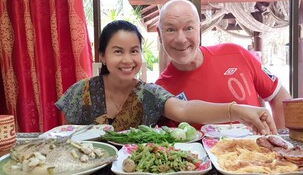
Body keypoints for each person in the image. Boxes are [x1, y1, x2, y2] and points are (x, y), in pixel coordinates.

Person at [55, 20, 277, 135]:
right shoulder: (81, 92)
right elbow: (64, 137)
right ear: (102, 55)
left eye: (134, 51)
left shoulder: (149, 93)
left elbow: (185, 109)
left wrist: (236, 110)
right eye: (117, 51)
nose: (127, 60)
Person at [155, 0, 291, 130]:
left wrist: (280, 140)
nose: (181, 39)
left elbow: (279, 95)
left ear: (199, 29)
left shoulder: (235, 54)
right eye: (170, 30)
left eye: (189, 28)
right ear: (159, 35)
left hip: (257, 150)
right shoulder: (160, 91)